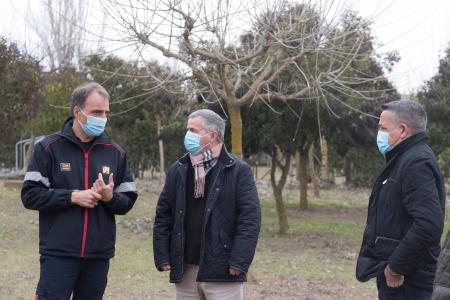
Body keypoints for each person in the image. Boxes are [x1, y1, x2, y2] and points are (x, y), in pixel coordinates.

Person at [21, 82, 138, 299]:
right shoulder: (48, 148)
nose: (102, 118)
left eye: (106, 112)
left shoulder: (116, 152)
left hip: (98, 256)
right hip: (58, 254)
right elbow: (30, 195)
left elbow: (128, 201)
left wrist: (110, 197)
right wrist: (72, 197)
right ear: (78, 112)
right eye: (96, 112)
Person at [153, 109, 261, 300]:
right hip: (185, 270)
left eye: (193, 130)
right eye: (188, 130)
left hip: (224, 271)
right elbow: (164, 215)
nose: (188, 136)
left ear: (212, 136)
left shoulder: (238, 170)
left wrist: (239, 261)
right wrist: (162, 255)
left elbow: (250, 219)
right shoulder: (178, 169)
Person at [356, 99, 446, 300]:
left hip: (408, 281)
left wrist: (396, 266)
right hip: (398, 277)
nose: (378, 133)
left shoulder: (416, 163)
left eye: (383, 128)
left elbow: (428, 224)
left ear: (403, 130)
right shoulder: (402, 159)